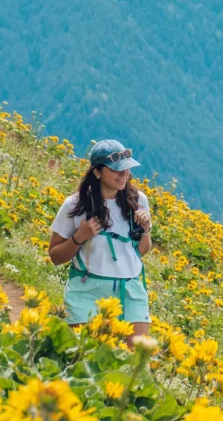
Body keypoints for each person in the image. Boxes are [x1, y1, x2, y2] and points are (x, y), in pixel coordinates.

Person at [48, 139, 152, 344]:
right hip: (88, 290)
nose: (124, 175)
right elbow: (55, 256)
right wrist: (79, 237)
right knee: (84, 358)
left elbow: (141, 251)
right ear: (97, 172)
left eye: (127, 169)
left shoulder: (139, 201)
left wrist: (146, 230)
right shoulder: (75, 205)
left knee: (137, 362)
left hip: (130, 289)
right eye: (116, 170)